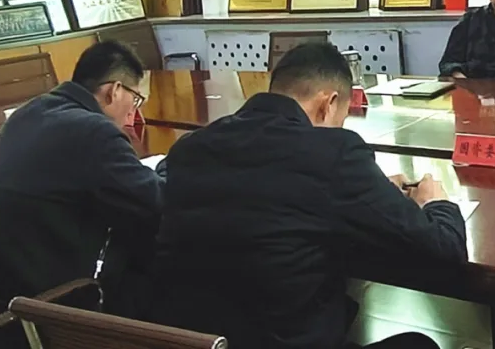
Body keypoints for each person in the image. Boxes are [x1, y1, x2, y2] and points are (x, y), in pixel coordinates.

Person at [149, 42, 467, 349]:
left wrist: (373, 188)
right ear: (328, 104)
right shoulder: (333, 153)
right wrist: (435, 203)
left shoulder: (190, 148)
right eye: (341, 118)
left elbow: (273, 188)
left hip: (201, 340)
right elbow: (444, 252)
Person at [0, 41, 163, 338]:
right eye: (135, 99)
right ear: (114, 91)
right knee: (157, 258)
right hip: (44, 312)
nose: (133, 113)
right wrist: (172, 169)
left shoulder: (29, 111)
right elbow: (155, 202)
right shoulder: (94, 132)